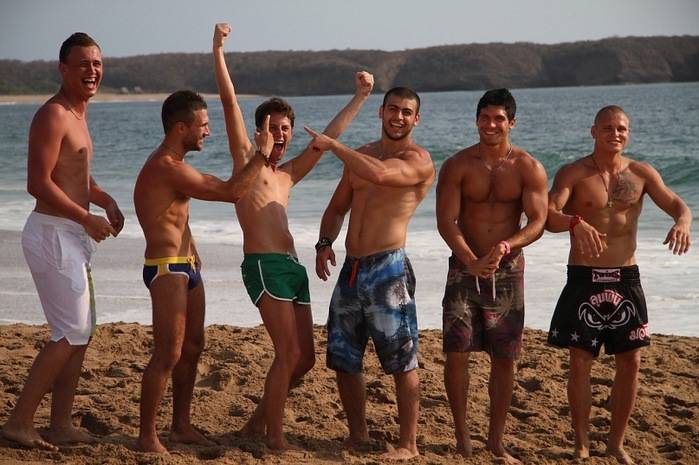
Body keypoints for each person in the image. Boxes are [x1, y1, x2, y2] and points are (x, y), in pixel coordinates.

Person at [212, 23, 374, 450]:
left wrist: (360, 96)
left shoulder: (286, 175)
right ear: (259, 131)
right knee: (287, 355)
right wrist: (218, 50)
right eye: (273, 127)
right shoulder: (247, 162)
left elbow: (327, 141)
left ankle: (254, 425)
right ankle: (275, 439)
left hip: (293, 268)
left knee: (305, 360)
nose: (280, 134)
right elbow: (229, 102)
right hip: (264, 266)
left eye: (285, 128)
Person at [545, 105, 691, 465]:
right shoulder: (574, 173)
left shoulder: (641, 173)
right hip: (584, 277)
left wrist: (683, 222)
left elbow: (678, 204)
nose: (615, 133)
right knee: (580, 361)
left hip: (626, 277)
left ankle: (615, 444)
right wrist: (574, 222)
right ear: (593, 131)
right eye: (608, 128)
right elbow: (548, 215)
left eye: (622, 128)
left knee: (632, 361)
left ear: (629, 133)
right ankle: (581, 444)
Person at [1, 32, 124, 451]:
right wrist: (86, 218)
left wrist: (105, 201)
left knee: (82, 332)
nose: (92, 71)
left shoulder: (78, 115)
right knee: (70, 329)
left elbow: (75, 176)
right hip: (52, 234)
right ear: (63, 69)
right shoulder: (53, 115)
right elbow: (38, 183)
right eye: (83, 64)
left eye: (97, 63)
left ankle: (61, 425)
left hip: (72, 234)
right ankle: (19, 423)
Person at [133, 89, 270, 453]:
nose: (208, 131)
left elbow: (176, 212)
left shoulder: (176, 164)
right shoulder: (167, 166)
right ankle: (147, 436)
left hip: (187, 266)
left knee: (193, 347)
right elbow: (231, 192)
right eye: (203, 125)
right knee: (167, 353)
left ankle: (180, 427)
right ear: (181, 128)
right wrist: (261, 155)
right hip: (167, 269)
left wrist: (192, 248)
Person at [306, 86, 435, 460]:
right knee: (343, 355)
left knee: (402, 359)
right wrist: (324, 243)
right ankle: (358, 435)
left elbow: (379, 174)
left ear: (416, 119)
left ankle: (408, 444)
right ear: (381, 112)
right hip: (352, 269)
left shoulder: (419, 160)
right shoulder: (360, 155)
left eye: (406, 112)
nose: (398, 117)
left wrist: (334, 145)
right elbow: (336, 208)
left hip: (388, 269)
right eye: (392, 109)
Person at [435, 88, 548, 463]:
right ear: (476, 120)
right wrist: (469, 260)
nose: (491, 124)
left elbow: (538, 221)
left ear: (512, 122)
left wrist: (506, 246)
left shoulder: (528, 167)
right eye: (485, 117)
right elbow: (446, 220)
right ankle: (462, 438)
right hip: (463, 269)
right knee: (456, 351)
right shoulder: (458, 165)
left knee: (505, 356)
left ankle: (496, 441)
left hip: (507, 270)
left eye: (499, 118)